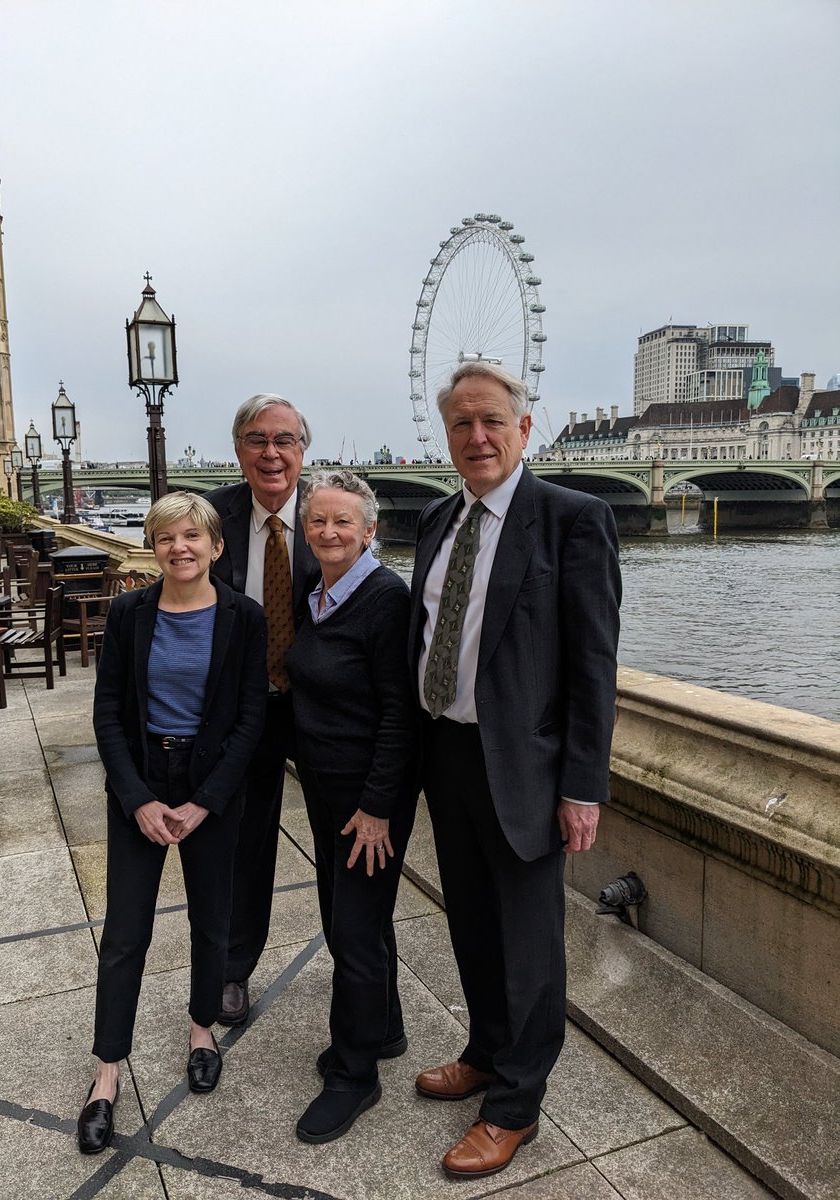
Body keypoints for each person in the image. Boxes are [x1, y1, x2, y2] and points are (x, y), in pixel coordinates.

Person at [410, 362, 621, 1180]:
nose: (477, 436)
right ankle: (486, 1050)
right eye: (461, 423)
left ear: (524, 428)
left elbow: (593, 666)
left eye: (492, 420)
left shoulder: (573, 519)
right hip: (447, 754)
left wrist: (582, 786)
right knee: (470, 922)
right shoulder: (437, 519)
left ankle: (516, 1104)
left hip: (526, 767)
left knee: (530, 944)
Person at [77, 493, 267, 1155]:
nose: (179, 548)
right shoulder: (129, 612)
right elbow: (107, 712)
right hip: (142, 781)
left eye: (192, 536)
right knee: (125, 931)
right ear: (153, 548)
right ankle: (106, 1071)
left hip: (209, 786)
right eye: (165, 538)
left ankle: (201, 1030)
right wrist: (137, 799)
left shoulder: (244, 617)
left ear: (216, 546)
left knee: (213, 918)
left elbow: (250, 718)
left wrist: (205, 801)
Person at [287, 471, 418, 1143]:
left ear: (370, 531)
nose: (329, 532)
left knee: (355, 933)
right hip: (325, 786)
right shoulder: (317, 593)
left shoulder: (385, 599)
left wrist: (377, 807)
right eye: (317, 521)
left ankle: (354, 1073)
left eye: (343, 522)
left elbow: (402, 711)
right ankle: (384, 1029)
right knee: (348, 917)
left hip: (367, 797)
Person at [205, 395, 320, 1028]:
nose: (271, 453)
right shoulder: (212, 515)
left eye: (284, 440)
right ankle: (231, 968)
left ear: (303, 450)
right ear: (238, 449)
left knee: (348, 839)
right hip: (244, 707)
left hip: (319, 705)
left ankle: (368, 985)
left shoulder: (330, 511)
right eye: (257, 439)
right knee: (243, 843)